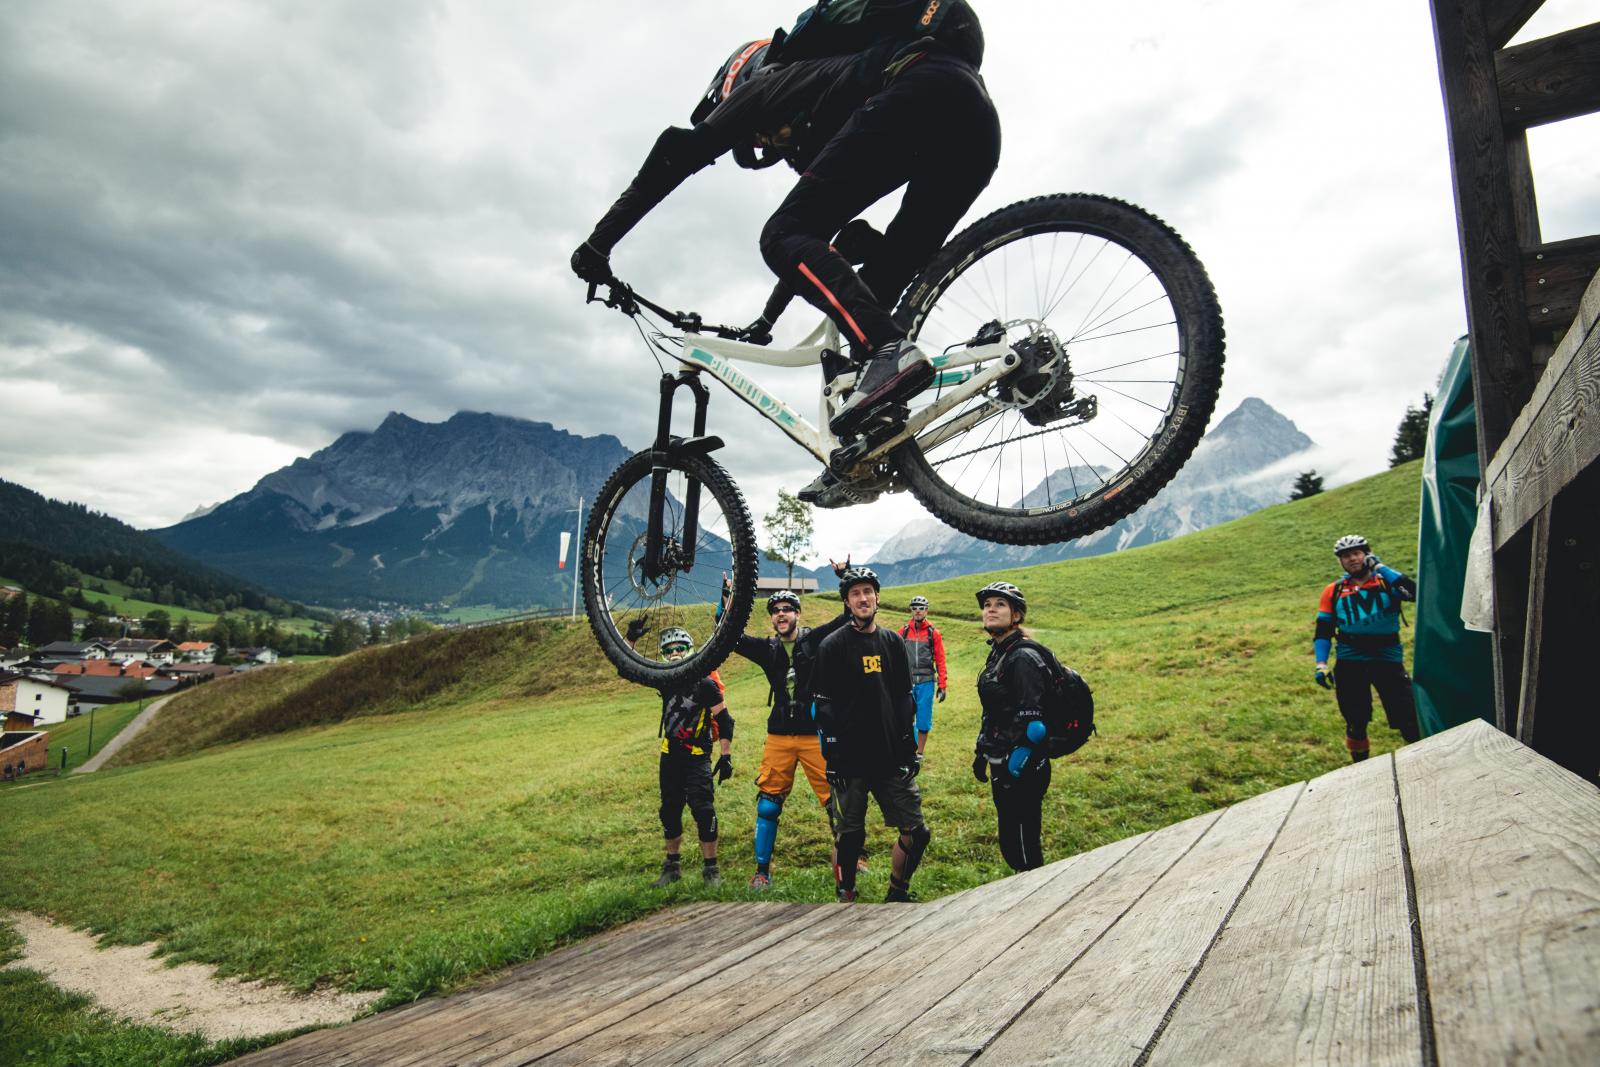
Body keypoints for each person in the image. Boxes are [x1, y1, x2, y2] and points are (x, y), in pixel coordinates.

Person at [572, 3, 997, 445]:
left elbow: (675, 158)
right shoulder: (841, 95)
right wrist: (766, 321)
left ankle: (887, 353)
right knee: (872, 291)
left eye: (759, 138)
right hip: (977, 124)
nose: (765, 142)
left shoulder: (769, 83)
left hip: (919, 89)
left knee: (778, 237)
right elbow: (813, 242)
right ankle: (887, 423)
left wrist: (597, 245)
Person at [812, 566, 930, 902]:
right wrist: (832, 757)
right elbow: (824, 707)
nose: (862, 598)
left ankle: (897, 891)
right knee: (849, 836)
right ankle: (846, 894)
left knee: (917, 831)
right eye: (855, 594)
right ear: (847, 603)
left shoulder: (893, 641)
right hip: (849, 761)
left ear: (877, 597)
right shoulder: (832, 646)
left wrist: (909, 749)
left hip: (889, 756)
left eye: (868, 592)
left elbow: (904, 699)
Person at [726, 587, 853, 888]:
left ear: (797, 614)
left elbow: (846, 619)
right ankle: (761, 871)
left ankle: (851, 858)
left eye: (787, 608)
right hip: (779, 735)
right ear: (771, 618)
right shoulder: (767, 649)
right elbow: (730, 638)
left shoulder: (814, 640)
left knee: (837, 800)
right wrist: (728, 604)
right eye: (775, 610)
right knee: (768, 804)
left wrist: (843, 580)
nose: (781, 614)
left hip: (813, 734)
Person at [971, 581, 1081, 872]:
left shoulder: (1022, 658)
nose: (991, 610)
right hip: (1003, 756)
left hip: (1022, 763)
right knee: (1013, 837)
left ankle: (1033, 895)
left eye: (1000, 604)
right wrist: (982, 752)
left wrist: (1014, 767)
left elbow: (1034, 726)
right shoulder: (1000, 652)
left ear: (1016, 615)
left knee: (1021, 842)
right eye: (987, 605)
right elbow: (996, 712)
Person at [1315, 535, 1421, 762]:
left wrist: (1381, 568)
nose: (1352, 559)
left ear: (1366, 554)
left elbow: (1415, 593)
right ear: (1340, 562)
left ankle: (1422, 761)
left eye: (1356, 553)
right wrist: (1321, 664)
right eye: (1346, 556)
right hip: (1350, 661)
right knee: (1356, 722)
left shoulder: (1387, 583)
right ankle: (1359, 767)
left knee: (1409, 717)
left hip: (1388, 659)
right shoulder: (1333, 591)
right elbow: (1323, 631)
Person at [649, 627, 736, 886]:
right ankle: (671, 867)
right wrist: (630, 640)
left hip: (697, 756)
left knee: (704, 810)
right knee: (669, 810)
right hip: (670, 755)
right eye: (669, 650)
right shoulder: (664, 678)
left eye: (680, 648)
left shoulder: (706, 682)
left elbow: (725, 719)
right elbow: (631, 669)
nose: (675, 653)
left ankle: (712, 871)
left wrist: (726, 755)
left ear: (690, 650)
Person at [898, 595, 947, 756]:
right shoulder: (903, 631)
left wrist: (942, 685)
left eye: (921, 608)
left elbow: (940, 659)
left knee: (923, 719)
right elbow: (895, 657)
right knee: (906, 718)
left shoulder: (934, 634)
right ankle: (908, 749)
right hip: (907, 681)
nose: (918, 611)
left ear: (926, 610)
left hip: (926, 681)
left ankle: (919, 753)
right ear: (910, 610)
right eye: (914, 608)